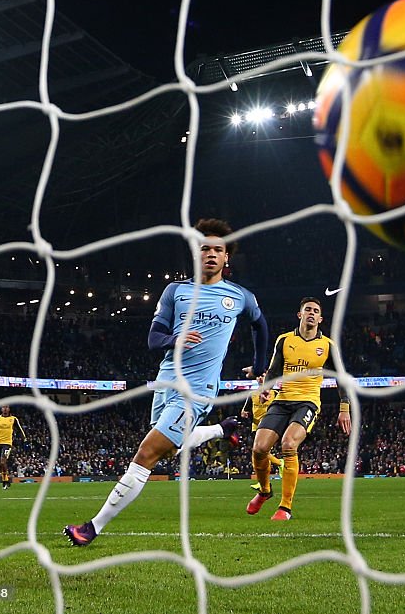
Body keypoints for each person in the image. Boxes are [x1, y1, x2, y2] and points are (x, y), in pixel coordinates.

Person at [65, 218, 269, 546]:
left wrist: (260, 366)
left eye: (219, 249)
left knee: (146, 453)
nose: (212, 254)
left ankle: (92, 527)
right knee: (170, 450)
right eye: (205, 249)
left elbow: (260, 325)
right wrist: (175, 339)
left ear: (227, 256)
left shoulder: (240, 296)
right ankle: (222, 430)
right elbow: (153, 338)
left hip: (198, 390)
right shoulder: (176, 292)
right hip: (166, 384)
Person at [247, 297, 351, 521]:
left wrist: (345, 408)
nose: (311, 313)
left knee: (288, 444)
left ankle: (285, 507)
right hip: (282, 400)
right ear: (300, 315)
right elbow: (274, 370)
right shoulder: (284, 341)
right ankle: (265, 491)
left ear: (321, 318)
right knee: (259, 448)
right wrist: (266, 389)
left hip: (308, 402)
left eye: (315, 311)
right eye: (308, 310)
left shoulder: (327, 346)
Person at [240, 388, 283, 493]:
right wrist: (244, 413)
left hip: (269, 426)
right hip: (256, 426)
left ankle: (278, 464)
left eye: (262, 376)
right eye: (258, 376)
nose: (260, 378)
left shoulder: (275, 393)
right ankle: (264, 479)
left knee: (261, 453)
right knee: (257, 454)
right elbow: (244, 411)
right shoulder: (252, 394)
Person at [0, 405, 26, 490]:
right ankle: (5, 480)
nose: (5, 409)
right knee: (0, 464)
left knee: (3, 461)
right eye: (3, 407)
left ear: (9, 409)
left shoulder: (13, 419)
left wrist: (24, 438)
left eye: (6, 407)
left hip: (7, 444)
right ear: (1, 409)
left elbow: (20, 429)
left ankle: (5, 480)